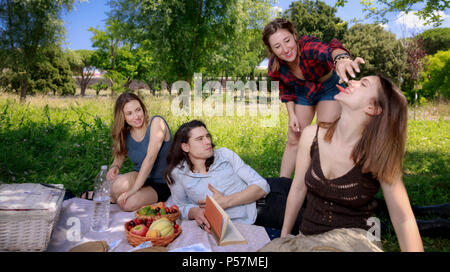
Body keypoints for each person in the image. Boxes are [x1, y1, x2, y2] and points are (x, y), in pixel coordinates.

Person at [272, 75, 423, 252]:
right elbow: (297, 189)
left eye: (363, 84)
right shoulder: (311, 135)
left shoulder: (377, 154)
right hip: (307, 239)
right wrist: (284, 237)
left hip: (354, 242)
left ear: (372, 108)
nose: (352, 81)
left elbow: (403, 218)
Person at [262, 18, 365, 178]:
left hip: (328, 88)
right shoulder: (276, 65)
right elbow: (285, 88)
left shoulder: (309, 47)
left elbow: (329, 51)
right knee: (294, 138)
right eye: (277, 46)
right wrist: (292, 115)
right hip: (303, 91)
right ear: (272, 50)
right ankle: (281, 186)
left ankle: (316, 184)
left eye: (287, 40)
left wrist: (341, 59)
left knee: (321, 139)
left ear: (294, 35)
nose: (285, 49)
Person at [164, 120, 304, 236]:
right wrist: (195, 212)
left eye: (207, 136)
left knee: (314, 192)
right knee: (316, 223)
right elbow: (178, 206)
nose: (207, 142)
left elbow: (262, 185)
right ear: (185, 147)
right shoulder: (177, 174)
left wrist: (225, 202)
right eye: (200, 139)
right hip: (264, 209)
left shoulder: (224, 154)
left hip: (273, 185)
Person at [106, 92, 172, 212]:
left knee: (128, 204)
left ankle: (111, 197)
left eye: (138, 110)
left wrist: (133, 190)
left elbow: (150, 158)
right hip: (139, 176)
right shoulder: (126, 134)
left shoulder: (157, 123)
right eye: (129, 113)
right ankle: (112, 195)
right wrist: (114, 166)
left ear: (143, 109)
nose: (136, 116)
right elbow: (119, 156)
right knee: (117, 186)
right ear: (123, 117)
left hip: (162, 182)